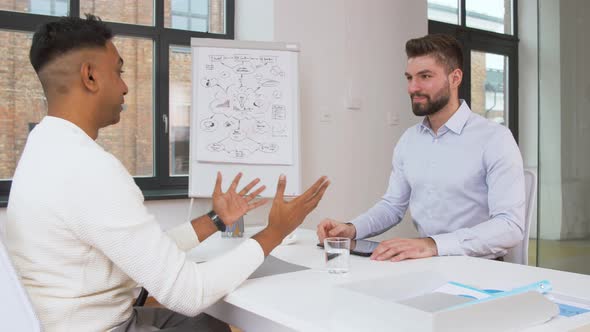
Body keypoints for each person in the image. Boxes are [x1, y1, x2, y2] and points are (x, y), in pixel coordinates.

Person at [5, 15, 329, 332]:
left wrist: (216, 219)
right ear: (90, 77)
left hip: (58, 320)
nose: (125, 86)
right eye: (118, 72)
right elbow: (189, 293)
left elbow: (143, 251)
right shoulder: (89, 169)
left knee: (204, 324)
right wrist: (274, 232)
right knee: (199, 316)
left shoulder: (43, 147)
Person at [317, 34, 524, 262]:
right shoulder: (409, 140)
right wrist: (352, 229)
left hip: (480, 267)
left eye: (425, 76)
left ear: (455, 78)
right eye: (409, 78)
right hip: (426, 262)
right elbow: (392, 206)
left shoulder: (495, 139)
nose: (413, 88)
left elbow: (510, 226)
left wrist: (432, 244)